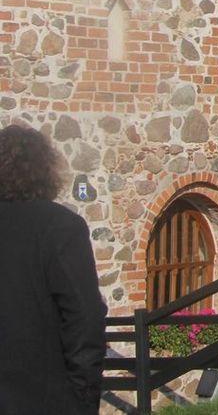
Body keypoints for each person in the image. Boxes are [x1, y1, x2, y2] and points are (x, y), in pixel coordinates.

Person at [0, 125, 107, 414]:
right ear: (45, 169)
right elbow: (84, 318)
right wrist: (83, 400)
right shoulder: (61, 227)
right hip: (43, 399)